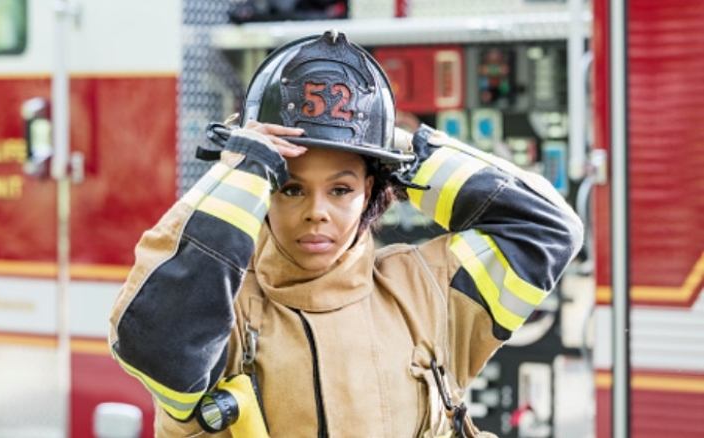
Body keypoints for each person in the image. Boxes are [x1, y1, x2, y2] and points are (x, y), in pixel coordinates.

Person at [109, 30, 583, 437]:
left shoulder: (430, 292)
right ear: (262, 193)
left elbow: (547, 228)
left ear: (372, 190)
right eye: (290, 189)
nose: (317, 213)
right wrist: (241, 173)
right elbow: (149, 340)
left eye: (340, 189)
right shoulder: (219, 313)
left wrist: (399, 149)